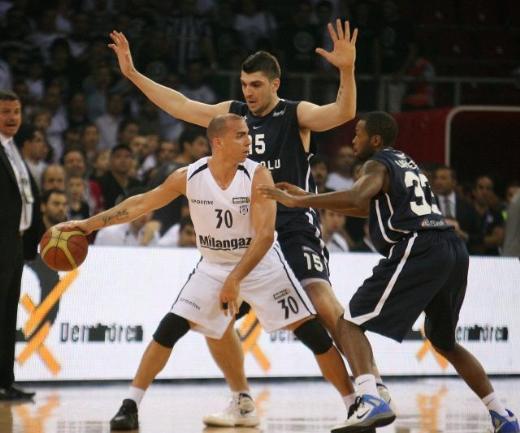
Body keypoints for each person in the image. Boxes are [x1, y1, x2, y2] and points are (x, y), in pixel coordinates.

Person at [107, 21, 384, 424]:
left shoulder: (296, 113)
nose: (248, 93)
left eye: (256, 85)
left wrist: (346, 70)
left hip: (290, 226)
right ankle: (241, 399)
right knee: (215, 322)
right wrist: (133, 74)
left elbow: (343, 112)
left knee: (321, 303)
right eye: (243, 84)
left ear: (275, 83)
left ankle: (369, 386)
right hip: (241, 233)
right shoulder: (231, 115)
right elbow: (180, 105)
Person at [57, 114, 329, 430]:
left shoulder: (256, 174)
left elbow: (266, 235)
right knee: (175, 327)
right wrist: (88, 225)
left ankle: (357, 397)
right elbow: (142, 202)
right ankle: (132, 403)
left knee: (309, 329)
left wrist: (236, 278)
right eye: (240, 135)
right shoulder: (191, 175)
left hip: (261, 262)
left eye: (247, 135)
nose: (248, 141)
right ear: (218, 142)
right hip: (215, 266)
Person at [259, 111, 520, 433]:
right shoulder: (403, 162)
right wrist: (309, 201)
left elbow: (356, 196)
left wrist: (297, 202)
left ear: (376, 140)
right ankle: (502, 414)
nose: (353, 139)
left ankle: (370, 397)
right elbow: (360, 206)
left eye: (358, 133)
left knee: (348, 324)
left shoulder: (377, 163)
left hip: (419, 246)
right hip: (452, 248)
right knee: (444, 341)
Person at [0, 90, 44, 400]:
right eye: (5, 112)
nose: (13, 117)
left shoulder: (13, 149)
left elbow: (26, 198)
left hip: (14, 242)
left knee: (6, 315)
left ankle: (4, 381)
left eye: (16, 111)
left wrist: (31, 242)